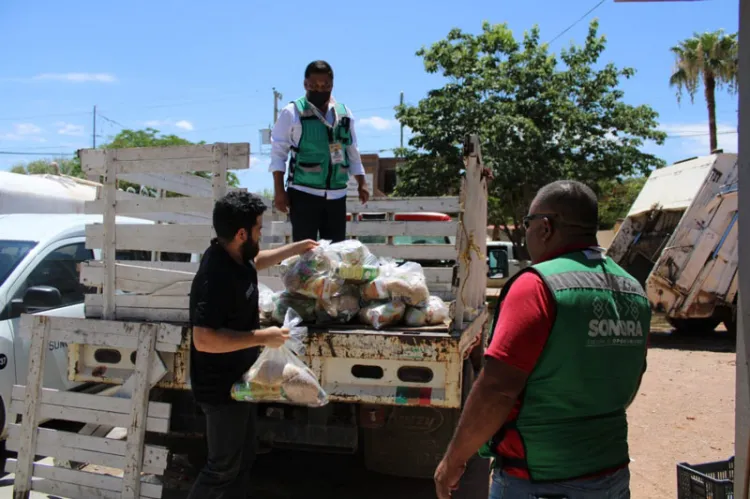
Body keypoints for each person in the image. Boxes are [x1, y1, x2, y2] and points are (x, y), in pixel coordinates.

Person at [434, 180, 650, 499]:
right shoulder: (632, 287)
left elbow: (497, 389)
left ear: (545, 227)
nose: (527, 233)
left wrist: (453, 459)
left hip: (540, 481)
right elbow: (632, 378)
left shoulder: (537, 286)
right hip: (612, 476)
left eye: (528, 224)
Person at [186, 191, 317, 499]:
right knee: (221, 469)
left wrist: (297, 248)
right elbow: (203, 339)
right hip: (219, 390)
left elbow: (257, 259)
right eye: (258, 228)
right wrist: (261, 337)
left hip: (240, 382)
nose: (262, 233)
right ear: (241, 233)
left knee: (243, 461)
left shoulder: (234, 255)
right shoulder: (213, 276)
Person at [269, 60, 370, 243]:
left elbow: (352, 149)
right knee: (305, 252)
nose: (320, 90)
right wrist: (279, 191)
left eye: (326, 86)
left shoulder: (344, 113)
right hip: (303, 192)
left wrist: (361, 181)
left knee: (335, 253)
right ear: (305, 84)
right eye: (314, 85)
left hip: (337, 194)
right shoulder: (292, 112)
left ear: (332, 85)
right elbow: (278, 153)